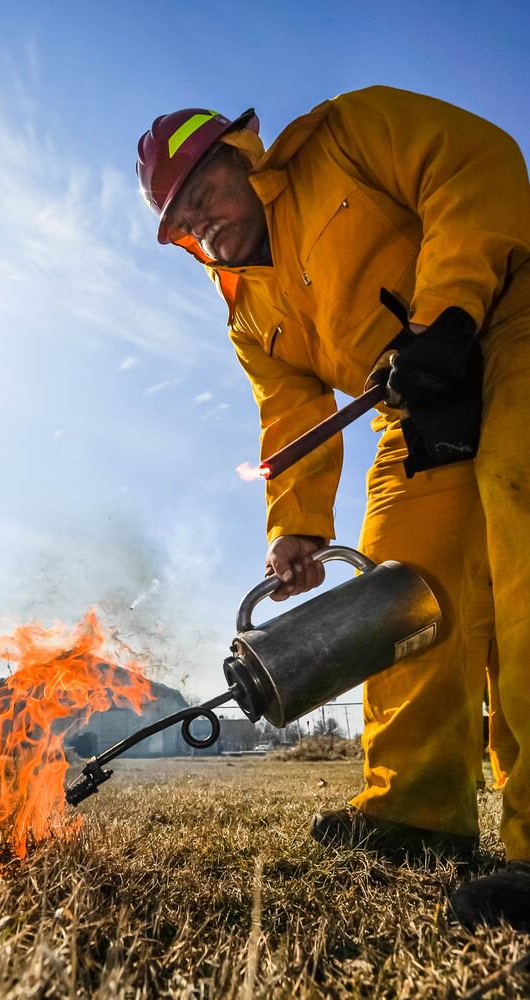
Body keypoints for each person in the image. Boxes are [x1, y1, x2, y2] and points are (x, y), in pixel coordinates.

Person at [136, 86, 530, 931]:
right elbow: (291, 412)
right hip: (413, 402)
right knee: (400, 597)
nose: (200, 225)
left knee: (521, 530)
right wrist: (297, 527)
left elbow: (477, 162)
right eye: (181, 224)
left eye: (203, 194)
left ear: (243, 156)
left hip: (507, 318)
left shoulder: (347, 133)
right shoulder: (248, 314)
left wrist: (449, 313)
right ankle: (416, 814)